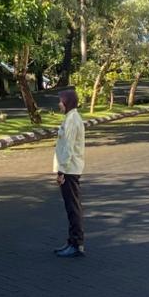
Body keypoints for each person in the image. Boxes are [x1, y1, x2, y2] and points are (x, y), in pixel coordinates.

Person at [53, 88, 86, 258]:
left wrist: (61, 172)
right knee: (71, 207)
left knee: (73, 207)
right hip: (69, 169)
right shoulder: (70, 117)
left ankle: (76, 243)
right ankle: (72, 241)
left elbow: (68, 148)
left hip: (70, 170)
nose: (59, 104)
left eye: (61, 101)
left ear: (67, 102)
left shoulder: (72, 120)